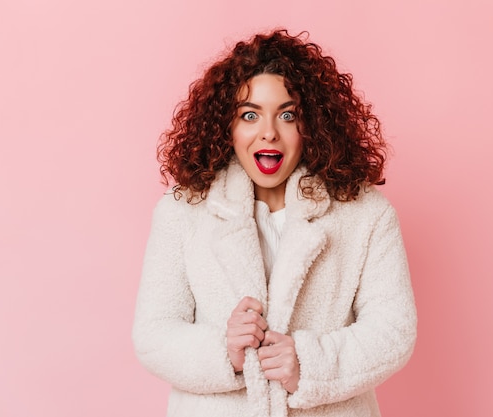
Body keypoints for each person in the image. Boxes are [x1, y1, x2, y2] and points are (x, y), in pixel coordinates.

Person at [132, 29, 417, 417]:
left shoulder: (365, 214)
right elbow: (153, 335)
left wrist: (308, 364)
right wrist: (225, 351)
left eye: (287, 114)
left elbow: (393, 332)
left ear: (312, 124)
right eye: (250, 115)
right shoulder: (183, 211)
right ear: (226, 127)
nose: (269, 131)